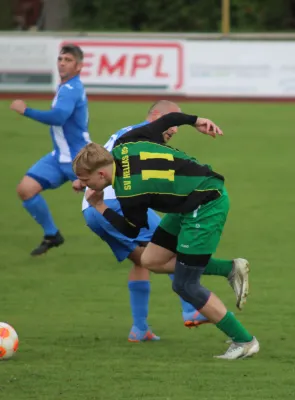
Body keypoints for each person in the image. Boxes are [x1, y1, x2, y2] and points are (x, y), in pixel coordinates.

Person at [72, 112, 259, 359]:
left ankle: (244, 340)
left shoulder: (128, 192)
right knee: (150, 260)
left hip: (205, 204)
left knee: (185, 284)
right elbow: (166, 119)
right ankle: (230, 268)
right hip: (190, 197)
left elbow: (132, 230)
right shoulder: (124, 144)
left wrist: (100, 207)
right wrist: (196, 121)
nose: (86, 185)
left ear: (102, 175)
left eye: (86, 181)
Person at [10, 43, 90, 256]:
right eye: (61, 59)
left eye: (68, 60)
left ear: (79, 66)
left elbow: (58, 117)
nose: (62, 63)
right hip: (58, 157)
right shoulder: (65, 87)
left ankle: (144, 239)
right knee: (26, 190)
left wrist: (25, 110)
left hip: (79, 158)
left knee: (109, 201)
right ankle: (52, 234)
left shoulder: (71, 89)